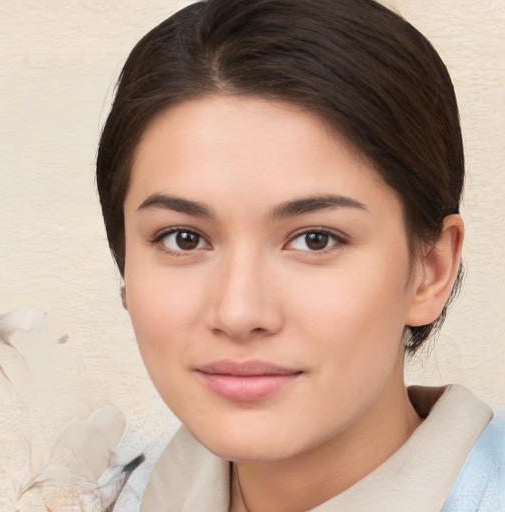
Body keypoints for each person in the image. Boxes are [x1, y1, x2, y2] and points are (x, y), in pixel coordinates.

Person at [96, 0, 505, 510]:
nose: (239, 313)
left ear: (430, 271)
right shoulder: (94, 495)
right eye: (184, 238)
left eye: (316, 239)